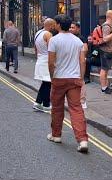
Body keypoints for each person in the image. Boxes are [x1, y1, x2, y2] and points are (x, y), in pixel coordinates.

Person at [47, 14, 89, 153]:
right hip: (74, 78)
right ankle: (82, 140)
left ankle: (56, 135)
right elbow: (82, 61)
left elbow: (51, 62)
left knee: (57, 108)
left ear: (58, 25)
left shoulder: (54, 40)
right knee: (76, 109)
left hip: (59, 78)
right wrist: (81, 78)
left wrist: (52, 77)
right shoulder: (77, 41)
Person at [33, 18, 55, 113]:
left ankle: (38, 103)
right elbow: (51, 49)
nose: (54, 27)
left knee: (45, 83)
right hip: (47, 60)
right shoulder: (48, 34)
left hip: (40, 59)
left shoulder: (38, 33)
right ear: (50, 25)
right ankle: (46, 105)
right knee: (48, 84)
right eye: (53, 25)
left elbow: (35, 48)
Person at [98, 10, 112, 95]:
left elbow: (108, 38)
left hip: (107, 51)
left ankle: (105, 87)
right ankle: (104, 88)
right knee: (104, 69)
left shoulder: (108, 26)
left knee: (106, 70)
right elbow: (105, 38)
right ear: (111, 16)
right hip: (105, 51)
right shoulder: (107, 26)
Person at [69, 22, 90, 108]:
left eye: (73, 28)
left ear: (78, 29)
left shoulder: (81, 38)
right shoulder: (68, 37)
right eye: (70, 27)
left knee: (80, 81)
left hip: (78, 62)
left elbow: (85, 49)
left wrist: (79, 57)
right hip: (70, 62)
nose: (71, 29)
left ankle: (82, 101)